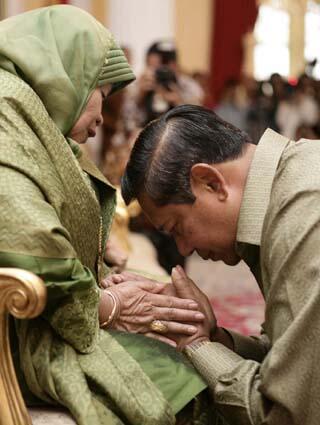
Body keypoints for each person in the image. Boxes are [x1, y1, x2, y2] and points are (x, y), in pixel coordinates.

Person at [0, 7, 212, 424]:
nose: (100, 116)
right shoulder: (6, 113)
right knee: (182, 380)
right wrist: (109, 305)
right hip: (16, 333)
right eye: (101, 91)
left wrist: (99, 268)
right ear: (62, 74)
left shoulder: (22, 111)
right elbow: (27, 241)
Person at [120, 103, 320, 424]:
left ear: (210, 182)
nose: (184, 247)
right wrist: (214, 337)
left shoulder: (302, 219)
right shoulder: (293, 176)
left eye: (177, 228)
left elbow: (287, 413)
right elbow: (292, 359)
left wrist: (197, 346)